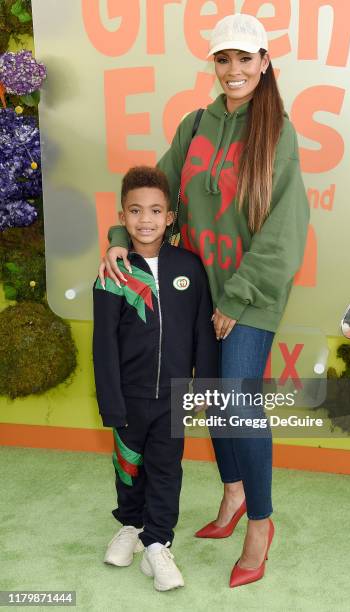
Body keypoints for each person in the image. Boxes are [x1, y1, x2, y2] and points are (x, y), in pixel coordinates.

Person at [99, 13, 310, 588]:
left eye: (246, 59)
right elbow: (158, 193)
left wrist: (237, 299)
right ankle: (234, 494)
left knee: (238, 406)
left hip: (252, 293)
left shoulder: (279, 132)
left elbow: (284, 233)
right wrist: (120, 239)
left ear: (265, 62)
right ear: (213, 64)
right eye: (224, 59)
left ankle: (261, 525)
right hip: (198, 293)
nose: (234, 70)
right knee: (212, 405)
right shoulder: (195, 125)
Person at [93, 166, 218, 592]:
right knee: (128, 468)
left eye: (155, 210)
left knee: (166, 469)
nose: (145, 219)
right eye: (135, 211)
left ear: (170, 217)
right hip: (128, 396)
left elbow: (203, 331)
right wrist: (110, 400)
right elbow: (104, 343)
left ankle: (158, 542)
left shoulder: (190, 267)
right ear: (123, 217)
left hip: (174, 396)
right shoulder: (114, 272)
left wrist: (205, 385)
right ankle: (129, 525)